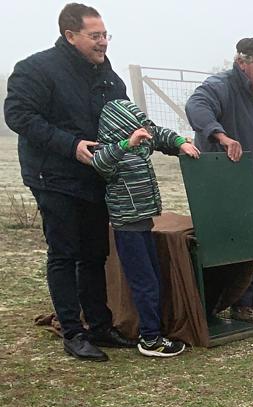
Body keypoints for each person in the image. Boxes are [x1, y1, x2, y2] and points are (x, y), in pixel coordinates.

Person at [4, 3, 134, 361]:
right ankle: (73, 332)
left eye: (105, 35)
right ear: (70, 35)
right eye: (95, 36)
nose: (103, 42)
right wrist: (70, 145)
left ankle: (101, 326)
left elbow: (121, 115)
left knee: (95, 253)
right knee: (64, 253)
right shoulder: (36, 69)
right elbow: (18, 115)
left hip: (94, 175)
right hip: (54, 176)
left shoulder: (107, 75)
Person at [185, 37, 253, 323]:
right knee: (232, 245)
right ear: (241, 63)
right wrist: (220, 135)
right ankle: (237, 305)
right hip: (219, 185)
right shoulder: (218, 86)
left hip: (250, 185)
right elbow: (196, 107)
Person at [91, 100, 198, 356]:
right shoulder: (111, 152)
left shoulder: (142, 143)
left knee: (153, 278)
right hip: (127, 228)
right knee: (145, 283)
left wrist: (180, 142)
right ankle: (150, 339)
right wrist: (127, 143)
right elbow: (100, 162)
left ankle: (155, 329)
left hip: (144, 224)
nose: (144, 131)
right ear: (121, 128)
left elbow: (160, 133)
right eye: (136, 127)